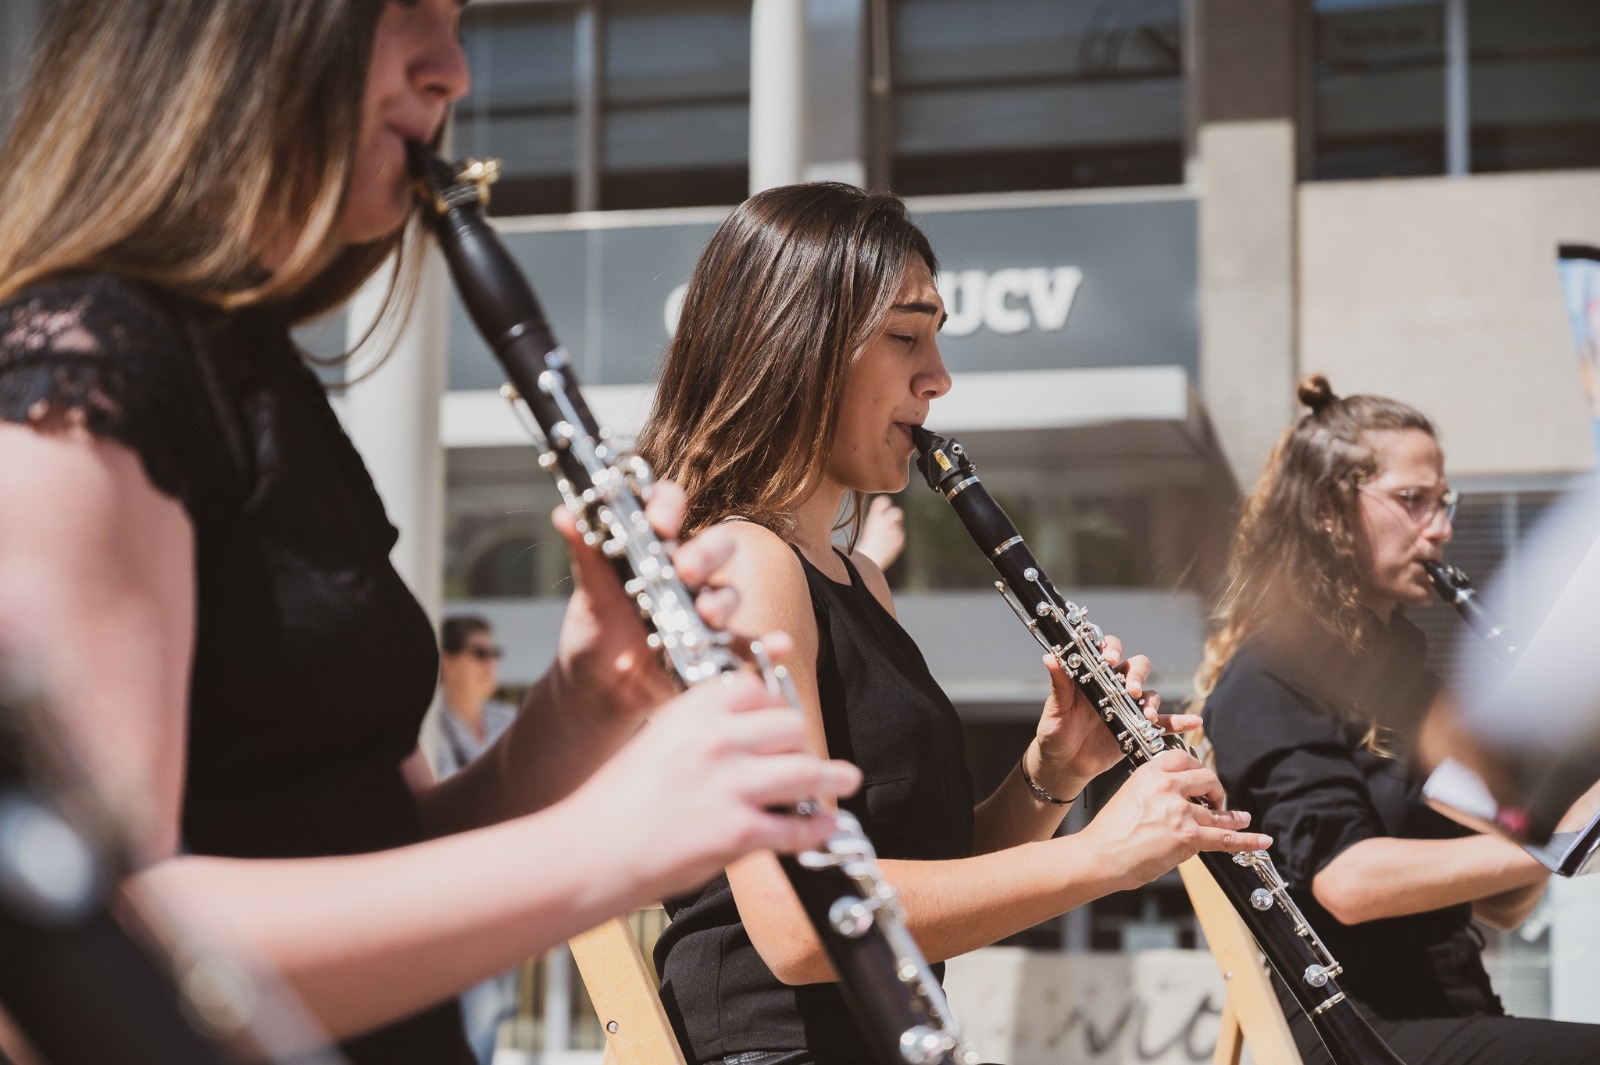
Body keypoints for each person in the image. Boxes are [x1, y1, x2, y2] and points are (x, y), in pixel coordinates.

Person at [0, 3, 860, 1064]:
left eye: (456, 23)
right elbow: (89, 928)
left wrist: (584, 705)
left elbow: (393, 853)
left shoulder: (254, 371)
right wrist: (610, 843)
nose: (450, 70)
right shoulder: (80, 371)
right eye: (403, 15)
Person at [637, 182, 1271, 1065]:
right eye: (905, 336)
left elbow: (926, 876)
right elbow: (796, 922)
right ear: (798, 344)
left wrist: (1050, 775)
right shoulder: (748, 561)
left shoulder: (854, 576)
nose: (938, 378)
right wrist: (1105, 854)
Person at [1197, 375, 1600, 1064]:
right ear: (1328, 509)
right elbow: (1347, 883)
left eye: (1443, 502)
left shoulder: (1414, 685)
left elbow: (1504, 907)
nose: (1440, 526)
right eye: (1412, 502)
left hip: (1454, 1012)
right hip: (1355, 1032)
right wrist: (1551, 839)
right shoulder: (1267, 677)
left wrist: (1549, 790)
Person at [430, 616, 522, 1064]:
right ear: (448, 662)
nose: (492, 664)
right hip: (451, 900)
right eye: (479, 653)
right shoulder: (427, 727)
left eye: (495, 653)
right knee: (472, 1010)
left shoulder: (508, 720)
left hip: (505, 895)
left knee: (493, 1010)